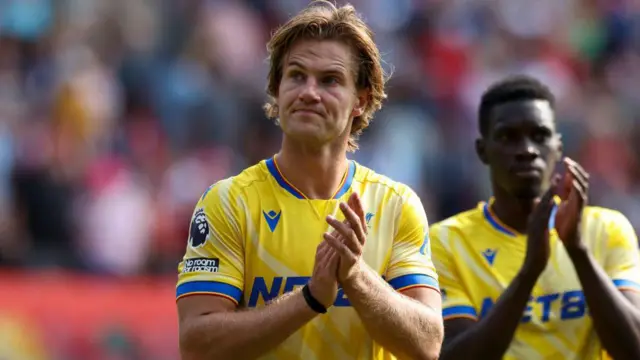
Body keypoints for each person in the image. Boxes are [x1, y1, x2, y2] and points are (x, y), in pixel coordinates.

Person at [175, 2, 444, 359]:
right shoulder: (227, 203)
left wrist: (356, 277)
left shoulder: (396, 205)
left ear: (360, 101)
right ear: (277, 89)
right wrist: (309, 299)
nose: (309, 92)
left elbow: (428, 345)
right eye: (297, 76)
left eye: (330, 80)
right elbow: (197, 344)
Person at [430, 75, 640, 360]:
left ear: (558, 147)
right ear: (483, 150)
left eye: (539, 136)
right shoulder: (447, 242)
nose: (527, 150)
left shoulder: (605, 229)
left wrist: (578, 251)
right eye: (508, 137)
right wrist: (529, 273)